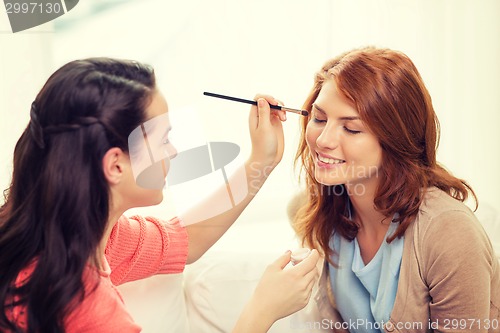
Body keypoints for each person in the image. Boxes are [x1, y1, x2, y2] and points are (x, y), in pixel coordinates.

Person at [0, 57, 320, 333]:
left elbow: (186, 239)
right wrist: (261, 311)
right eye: (164, 140)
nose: (174, 152)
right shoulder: (91, 308)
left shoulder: (74, 234)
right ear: (115, 165)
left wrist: (260, 162)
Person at [291, 47, 500, 332]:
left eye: (351, 129)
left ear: (395, 139)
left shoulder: (450, 233)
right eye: (319, 118)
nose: (323, 140)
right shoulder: (323, 210)